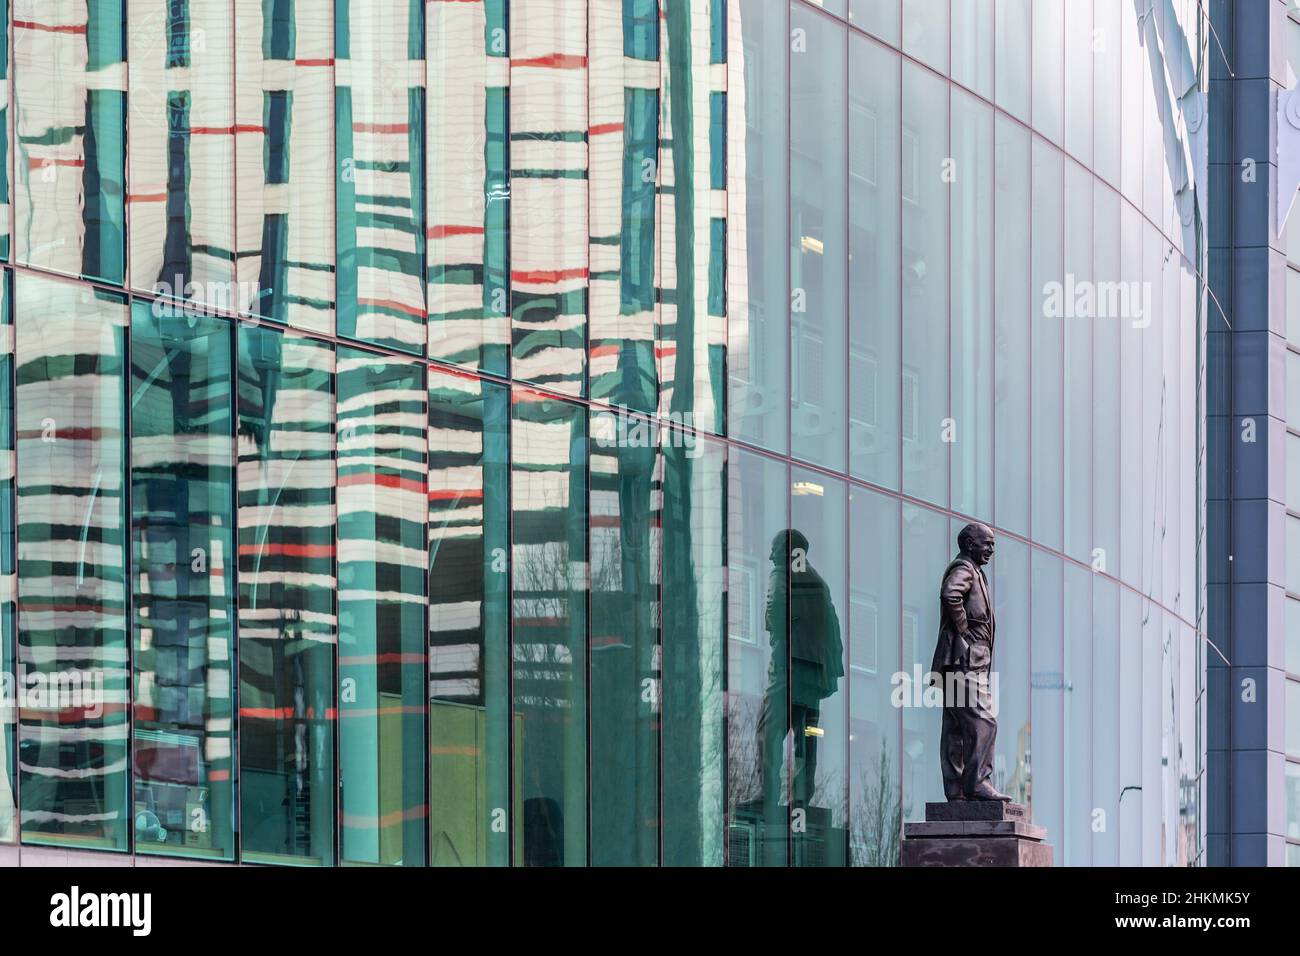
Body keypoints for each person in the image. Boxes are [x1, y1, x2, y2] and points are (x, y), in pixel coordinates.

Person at [759, 529, 844, 829]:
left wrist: (780, 654)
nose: (771, 556)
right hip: (813, 678)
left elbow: (774, 615)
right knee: (806, 741)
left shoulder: (782, 575)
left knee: (768, 733)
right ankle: (802, 799)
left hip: (788, 671)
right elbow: (833, 632)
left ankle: (767, 794)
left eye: (774, 549)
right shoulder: (820, 583)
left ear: (786, 551)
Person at [930, 522, 1011, 802]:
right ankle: (977, 782)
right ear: (968, 544)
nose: (990, 549)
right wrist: (964, 629)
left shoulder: (976, 571)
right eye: (986, 543)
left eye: (992, 545)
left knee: (955, 728)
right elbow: (950, 594)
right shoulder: (964, 568)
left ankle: (955, 788)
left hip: (963, 661)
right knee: (984, 721)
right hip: (964, 660)